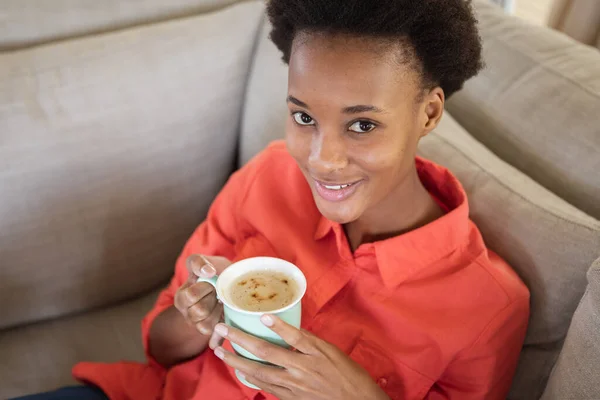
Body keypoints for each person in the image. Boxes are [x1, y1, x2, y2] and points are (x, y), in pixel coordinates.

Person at [14, 0, 530, 399]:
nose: (323, 159)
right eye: (304, 117)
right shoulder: (266, 178)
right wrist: (196, 318)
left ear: (430, 113)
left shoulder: (488, 306)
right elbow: (159, 349)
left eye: (362, 125)